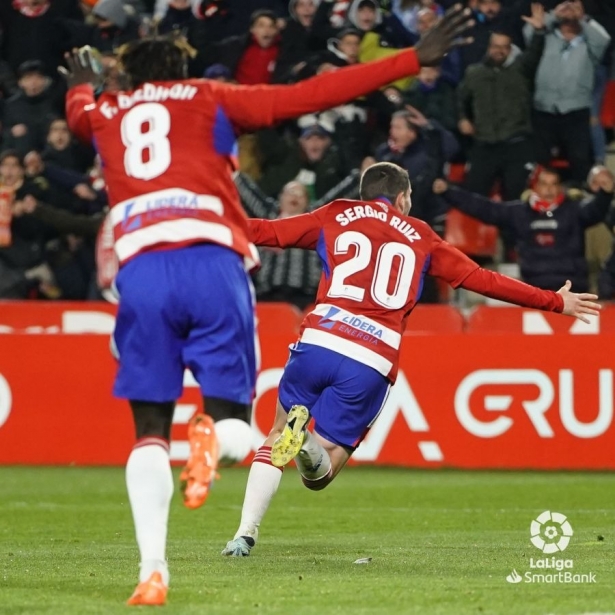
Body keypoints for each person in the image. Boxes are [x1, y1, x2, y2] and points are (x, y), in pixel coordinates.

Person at [58, 6, 476, 606]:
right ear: (183, 64)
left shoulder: (106, 113)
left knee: (148, 431)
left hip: (143, 267)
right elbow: (306, 94)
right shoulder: (211, 96)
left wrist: (87, 82)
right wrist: (409, 60)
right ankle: (216, 434)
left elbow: (78, 114)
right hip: (214, 264)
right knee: (236, 424)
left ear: (128, 78)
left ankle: (154, 569)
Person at [221, 161, 601, 558]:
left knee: (275, 433)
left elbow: (265, 231)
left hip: (319, 338)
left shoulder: (333, 214)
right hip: (371, 356)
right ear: (402, 197)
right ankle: (306, 446)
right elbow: (483, 280)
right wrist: (555, 301)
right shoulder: (421, 235)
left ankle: (245, 533)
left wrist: (201, 227)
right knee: (320, 475)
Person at [433, 166, 615, 292]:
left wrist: (606, 194)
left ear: (560, 187)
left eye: (553, 184)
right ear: (535, 187)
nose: (549, 190)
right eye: (544, 184)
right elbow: (484, 208)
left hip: (573, 288)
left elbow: (595, 210)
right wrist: (449, 192)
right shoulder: (519, 212)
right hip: (534, 290)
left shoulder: (574, 210)